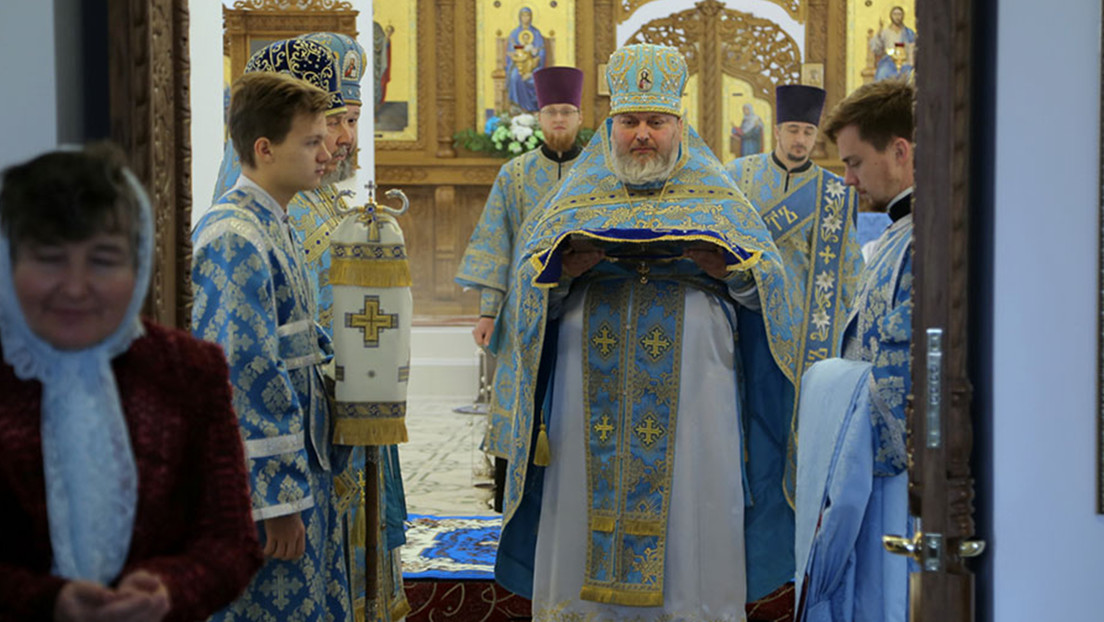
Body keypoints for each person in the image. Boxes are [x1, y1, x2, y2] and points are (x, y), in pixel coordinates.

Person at [494, 43, 801, 622]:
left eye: (656, 122)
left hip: (696, 386)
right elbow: (530, 297)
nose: (642, 135)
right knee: (580, 493)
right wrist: (562, 273)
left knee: (692, 500)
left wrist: (732, 272)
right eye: (629, 121)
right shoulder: (573, 198)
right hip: (586, 382)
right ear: (610, 126)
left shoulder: (719, 196)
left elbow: (774, 297)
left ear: (679, 126)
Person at [0, 144, 262, 621]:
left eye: (103, 260)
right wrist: (47, 601)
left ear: (139, 264)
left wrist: (167, 589)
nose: (75, 287)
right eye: (49, 259)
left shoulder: (189, 371)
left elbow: (230, 542)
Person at [191, 66, 352, 621]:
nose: (327, 153)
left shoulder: (272, 223)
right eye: (310, 142)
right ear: (264, 148)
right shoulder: (234, 238)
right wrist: (277, 501)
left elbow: (296, 340)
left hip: (301, 472)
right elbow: (243, 375)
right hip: (262, 496)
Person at [725, 83, 863, 619]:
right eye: (792, 130)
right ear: (775, 129)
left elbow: (847, 269)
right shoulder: (739, 179)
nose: (800, 139)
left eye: (808, 131)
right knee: (746, 443)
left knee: (796, 446)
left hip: (809, 344)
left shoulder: (835, 194)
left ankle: (788, 566)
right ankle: (740, 566)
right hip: (747, 334)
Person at [292, 31, 411, 622]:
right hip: (314, 427)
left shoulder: (323, 200)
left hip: (358, 409)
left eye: (353, 120)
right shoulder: (277, 210)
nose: (345, 138)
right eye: (334, 120)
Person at [793, 79, 916, 620]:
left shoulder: (924, 243)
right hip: (869, 477)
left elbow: (905, 368)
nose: (847, 179)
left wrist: (852, 475)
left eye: (855, 162)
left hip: (893, 482)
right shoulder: (896, 237)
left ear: (900, 150)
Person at [456, 65, 586, 513]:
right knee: (517, 397)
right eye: (552, 112)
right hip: (524, 312)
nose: (559, 120)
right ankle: (510, 498)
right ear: (539, 116)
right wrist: (488, 311)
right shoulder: (514, 175)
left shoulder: (597, 174)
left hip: (584, 306)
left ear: (579, 117)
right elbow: (497, 243)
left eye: (567, 112)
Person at [506, 7, 546, 112]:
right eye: (523, 15)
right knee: (514, 77)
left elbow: (541, 51)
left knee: (535, 77)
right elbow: (511, 51)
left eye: (527, 15)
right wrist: (517, 55)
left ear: (531, 17)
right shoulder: (514, 34)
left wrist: (537, 58)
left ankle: (534, 108)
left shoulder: (536, 33)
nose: (525, 18)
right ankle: (517, 106)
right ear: (520, 17)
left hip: (533, 65)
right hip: (518, 65)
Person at [870, 6, 916, 82]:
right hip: (889, 61)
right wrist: (879, 32)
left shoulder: (908, 32)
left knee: (909, 75)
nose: (897, 17)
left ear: (903, 16)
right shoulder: (885, 32)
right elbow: (877, 49)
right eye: (895, 14)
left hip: (905, 62)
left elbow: (914, 47)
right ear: (891, 16)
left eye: (899, 14)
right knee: (882, 72)